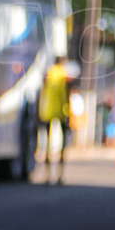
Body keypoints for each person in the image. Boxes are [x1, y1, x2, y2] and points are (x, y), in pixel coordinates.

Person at [37, 56, 72, 184]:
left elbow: (42, 91)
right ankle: (59, 176)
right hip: (62, 111)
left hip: (47, 111)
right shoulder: (64, 75)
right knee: (63, 145)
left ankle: (46, 176)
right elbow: (68, 93)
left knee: (46, 143)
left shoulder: (48, 73)